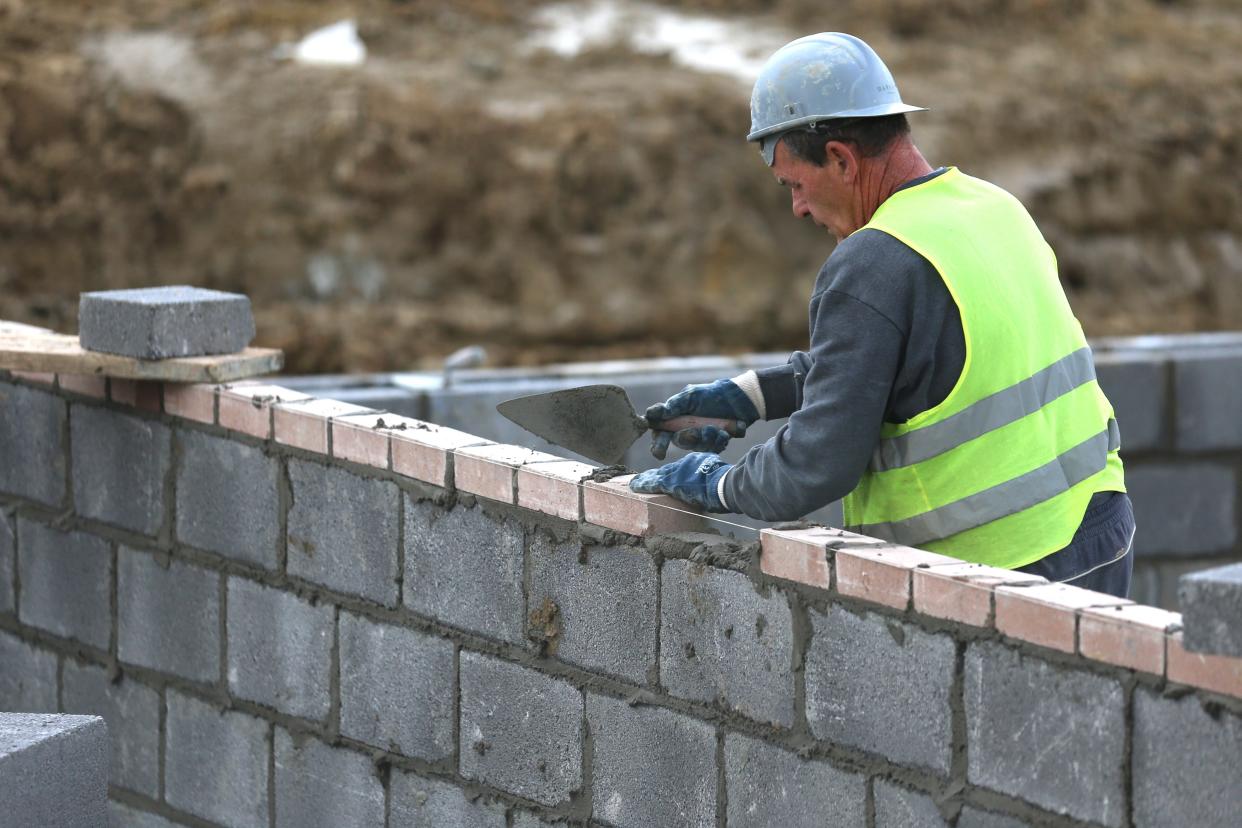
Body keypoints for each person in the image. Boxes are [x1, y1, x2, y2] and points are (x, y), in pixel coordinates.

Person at [630, 32, 1135, 598]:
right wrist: (752, 395)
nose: (797, 208)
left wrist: (716, 485)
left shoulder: (873, 261)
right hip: (1099, 534)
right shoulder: (992, 207)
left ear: (841, 158)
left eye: (795, 184)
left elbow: (814, 466)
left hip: (999, 572)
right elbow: (914, 362)